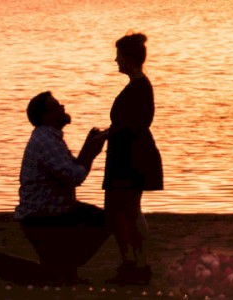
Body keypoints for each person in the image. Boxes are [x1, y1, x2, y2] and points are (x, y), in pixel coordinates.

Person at [0, 91, 111, 284]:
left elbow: (70, 170)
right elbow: (74, 177)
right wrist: (90, 154)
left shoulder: (49, 137)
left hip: (53, 212)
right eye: (56, 106)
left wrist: (88, 148)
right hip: (43, 218)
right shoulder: (46, 140)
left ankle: (65, 267)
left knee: (102, 220)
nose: (63, 107)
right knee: (52, 276)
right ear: (46, 116)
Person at [93, 32, 164, 285]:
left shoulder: (139, 87)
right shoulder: (138, 86)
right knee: (125, 210)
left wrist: (108, 134)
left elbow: (134, 124)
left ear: (128, 59)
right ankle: (135, 263)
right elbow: (128, 123)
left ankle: (136, 263)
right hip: (128, 155)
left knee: (124, 210)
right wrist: (107, 133)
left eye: (119, 56)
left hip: (131, 157)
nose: (115, 61)